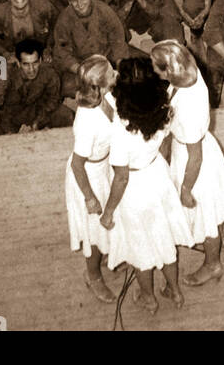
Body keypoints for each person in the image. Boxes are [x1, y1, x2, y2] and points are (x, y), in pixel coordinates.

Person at [100, 56, 192, 314]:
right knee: (164, 238)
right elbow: (164, 144)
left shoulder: (121, 129)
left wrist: (108, 212)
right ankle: (174, 290)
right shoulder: (164, 109)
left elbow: (121, 177)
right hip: (158, 177)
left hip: (134, 190)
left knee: (140, 246)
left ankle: (148, 297)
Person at [151, 40, 224, 287]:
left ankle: (213, 263)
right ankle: (215, 240)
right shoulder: (189, 73)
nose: (153, 71)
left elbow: (195, 156)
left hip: (195, 163)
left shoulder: (188, 107)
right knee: (206, 213)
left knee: (204, 212)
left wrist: (186, 188)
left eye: (156, 68)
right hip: (190, 151)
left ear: (169, 70)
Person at [65, 54, 117, 304]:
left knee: (106, 223)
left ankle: (104, 255)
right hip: (87, 177)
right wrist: (89, 197)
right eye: (111, 72)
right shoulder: (87, 120)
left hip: (103, 167)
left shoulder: (107, 98)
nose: (115, 72)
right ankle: (93, 275)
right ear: (102, 83)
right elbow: (77, 164)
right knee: (94, 228)